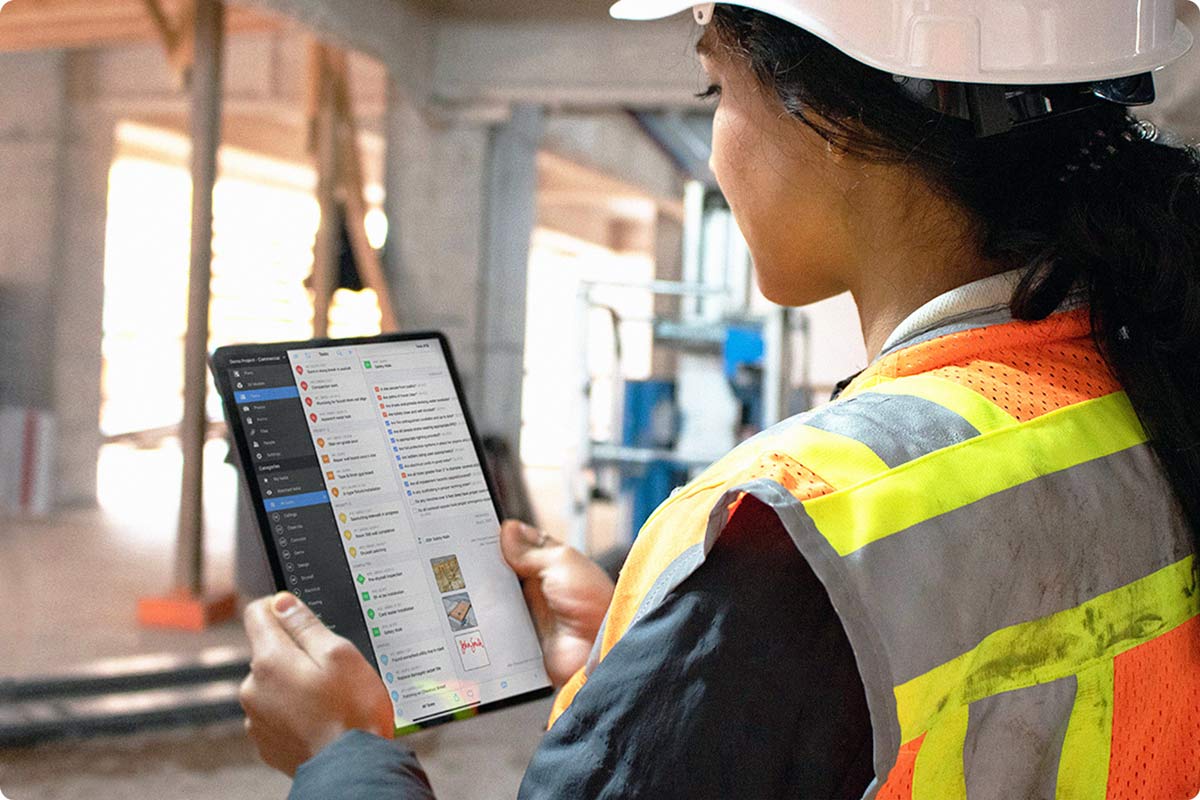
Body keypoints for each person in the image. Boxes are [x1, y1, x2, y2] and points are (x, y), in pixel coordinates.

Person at [240, 1, 1200, 797]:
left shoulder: (794, 516)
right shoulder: (1139, 392)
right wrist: (665, 659)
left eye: (716, 88)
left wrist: (342, 756)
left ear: (833, 119)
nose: (712, 148)